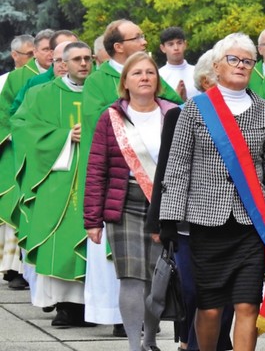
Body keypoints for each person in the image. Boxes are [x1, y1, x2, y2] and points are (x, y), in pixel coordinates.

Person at [158, 32, 265, 351]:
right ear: (217, 66)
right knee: (210, 308)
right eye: (233, 59)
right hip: (207, 226)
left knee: (247, 306)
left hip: (251, 228)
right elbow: (178, 165)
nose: (241, 65)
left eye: (247, 60)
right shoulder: (195, 109)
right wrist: (168, 220)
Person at [84, 51, 176, 351]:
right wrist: (92, 220)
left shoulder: (174, 113)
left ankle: (150, 340)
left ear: (157, 79)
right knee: (131, 277)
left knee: (156, 278)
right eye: (137, 73)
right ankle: (135, 345)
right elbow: (97, 168)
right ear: (125, 82)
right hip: (123, 206)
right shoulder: (111, 118)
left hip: (164, 206)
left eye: (150, 72)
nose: (145, 78)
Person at [146, 49, 234, 351]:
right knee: (193, 292)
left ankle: (215, 344)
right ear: (209, 80)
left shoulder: (246, 113)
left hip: (233, 224)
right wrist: (159, 220)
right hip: (189, 225)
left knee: (226, 294)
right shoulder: (180, 114)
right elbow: (166, 173)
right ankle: (190, 342)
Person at [11, 41, 94, 327]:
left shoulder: (104, 93)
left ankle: (95, 306)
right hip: (54, 178)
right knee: (57, 241)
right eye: (76, 59)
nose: (83, 64)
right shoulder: (40, 93)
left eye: (87, 59)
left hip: (93, 176)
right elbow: (21, 126)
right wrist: (63, 137)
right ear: (63, 64)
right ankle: (65, 307)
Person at [0, 29, 54, 291]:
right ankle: (19, 267)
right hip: (21, 152)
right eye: (45, 50)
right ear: (35, 52)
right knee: (21, 207)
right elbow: (7, 114)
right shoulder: (19, 78)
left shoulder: (72, 79)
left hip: (58, 153)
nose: (50, 55)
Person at [0, 34, 33, 286]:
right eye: (29, 55)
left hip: (38, 149)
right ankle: (11, 267)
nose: (33, 60)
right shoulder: (5, 81)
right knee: (13, 204)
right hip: (11, 150)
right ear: (15, 56)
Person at [158, 26, 198, 101]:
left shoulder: (197, 72)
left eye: (179, 43)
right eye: (171, 44)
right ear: (163, 48)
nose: (176, 48)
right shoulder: (159, 76)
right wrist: (176, 99)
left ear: (185, 44)